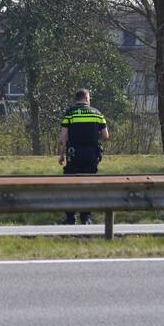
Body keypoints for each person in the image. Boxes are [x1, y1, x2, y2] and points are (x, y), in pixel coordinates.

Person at [57, 88, 108, 225]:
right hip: (92, 155)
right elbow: (105, 136)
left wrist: (61, 155)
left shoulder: (70, 114)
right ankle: (86, 218)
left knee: (71, 185)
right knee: (89, 185)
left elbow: (63, 138)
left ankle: (70, 217)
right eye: (90, 98)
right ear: (86, 98)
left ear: (77, 99)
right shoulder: (97, 113)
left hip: (74, 154)